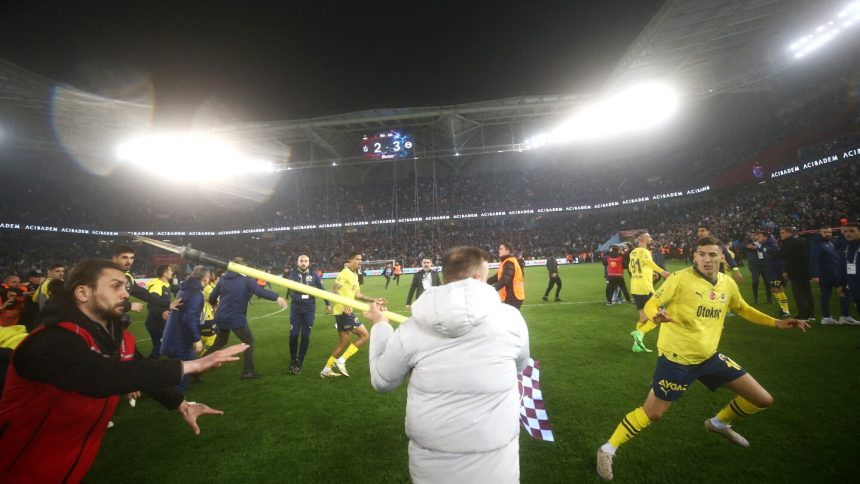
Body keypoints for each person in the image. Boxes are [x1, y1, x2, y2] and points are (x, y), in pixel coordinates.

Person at [0, 259, 248, 482]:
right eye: (116, 286)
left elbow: (137, 370)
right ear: (83, 292)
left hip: (67, 466)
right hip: (15, 467)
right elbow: (98, 376)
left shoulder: (119, 337)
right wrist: (192, 365)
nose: (125, 293)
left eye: (125, 287)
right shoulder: (53, 338)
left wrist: (180, 403)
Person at [595, 237, 810, 481]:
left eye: (712, 255)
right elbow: (653, 304)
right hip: (677, 360)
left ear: (722, 257)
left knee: (762, 399)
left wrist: (777, 322)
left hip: (709, 358)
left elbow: (742, 308)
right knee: (653, 414)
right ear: (694, 256)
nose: (706, 259)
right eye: (701, 254)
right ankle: (607, 449)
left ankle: (718, 423)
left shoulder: (727, 284)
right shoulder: (680, 279)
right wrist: (657, 316)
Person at [366, 246, 530, 483]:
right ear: (477, 278)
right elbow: (519, 366)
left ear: (445, 277)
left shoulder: (410, 329)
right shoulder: (512, 320)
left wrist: (381, 324)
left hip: (432, 472)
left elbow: (382, 381)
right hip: (497, 470)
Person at [203, 257, 288, 380]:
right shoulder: (246, 279)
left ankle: (198, 368)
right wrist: (276, 297)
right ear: (240, 267)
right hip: (235, 316)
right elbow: (259, 291)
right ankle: (248, 371)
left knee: (220, 342)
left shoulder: (223, 279)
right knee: (249, 341)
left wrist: (215, 305)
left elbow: (212, 297)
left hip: (221, 316)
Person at [320, 252, 386, 378]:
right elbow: (334, 290)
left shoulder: (355, 275)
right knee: (365, 336)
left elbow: (358, 295)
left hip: (344, 311)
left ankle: (326, 369)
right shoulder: (344, 272)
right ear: (350, 260)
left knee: (344, 342)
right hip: (343, 311)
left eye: (361, 259)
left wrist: (374, 300)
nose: (359, 261)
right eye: (357, 259)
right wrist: (344, 303)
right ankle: (341, 361)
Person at [161, 265, 211, 393]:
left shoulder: (185, 288)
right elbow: (189, 318)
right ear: (205, 278)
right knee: (182, 372)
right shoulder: (196, 294)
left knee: (189, 363)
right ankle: (177, 400)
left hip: (174, 335)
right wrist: (197, 339)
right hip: (180, 339)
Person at [286, 254, 332, 375]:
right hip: (296, 309)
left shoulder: (314, 275)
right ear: (297, 262)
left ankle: (299, 362)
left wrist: (327, 303)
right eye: (301, 261)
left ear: (309, 262)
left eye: (306, 261)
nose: (303, 263)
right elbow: (292, 293)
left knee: (306, 336)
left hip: (309, 310)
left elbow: (322, 289)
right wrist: (305, 296)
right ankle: (293, 360)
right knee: (294, 334)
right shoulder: (293, 274)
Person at [628, 232, 671, 353]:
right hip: (645, 288)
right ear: (642, 239)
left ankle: (636, 345)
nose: (650, 239)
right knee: (660, 316)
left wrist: (649, 272)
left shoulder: (633, 252)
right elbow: (649, 263)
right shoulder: (644, 251)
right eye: (649, 237)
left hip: (635, 288)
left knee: (643, 319)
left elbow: (632, 268)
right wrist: (663, 272)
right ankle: (640, 332)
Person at [752, 230, 792, 318]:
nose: (758, 238)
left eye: (759, 236)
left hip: (777, 272)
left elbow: (781, 259)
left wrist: (784, 271)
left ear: (765, 237)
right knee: (774, 290)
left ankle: (786, 311)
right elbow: (763, 250)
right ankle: (782, 309)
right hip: (771, 271)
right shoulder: (766, 245)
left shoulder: (773, 246)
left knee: (778, 290)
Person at [780, 227, 815, 320]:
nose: (781, 235)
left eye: (783, 233)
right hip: (805, 270)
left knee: (798, 294)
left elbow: (784, 256)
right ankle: (811, 314)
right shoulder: (802, 240)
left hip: (796, 272)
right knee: (808, 293)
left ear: (789, 233)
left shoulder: (789, 242)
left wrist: (768, 251)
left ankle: (803, 315)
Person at [144, 264, 175, 359]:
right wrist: (161, 312)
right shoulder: (157, 284)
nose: (172, 272)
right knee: (159, 348)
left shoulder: (166, 284)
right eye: (170, 270)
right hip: (154, 323)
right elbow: (151, 304)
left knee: (164, 346)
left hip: (161, 322)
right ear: (165, 273)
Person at [487, 242, 525, 310]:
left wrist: (490, 289)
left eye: (501, 249)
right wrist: (482, 282)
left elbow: (504, 280)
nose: (499, 251)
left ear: (507, 251)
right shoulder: (506, 262)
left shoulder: (509, 262)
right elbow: (496, 277)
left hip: (513, 296)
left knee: (510, 319)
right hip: (512, 296)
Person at [838, 222, 860, 322]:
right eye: (846, 231)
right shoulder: (847, 247)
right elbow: (844, 268)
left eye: (852, 231)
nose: (848, 234)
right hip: (855, 288)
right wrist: (841, 285)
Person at [745, 236, 770, 305]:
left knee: (768, 282)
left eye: (756, 235)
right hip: (755, 266)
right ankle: (756, 299)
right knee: (755, 281)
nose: (754, 236)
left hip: (764, 265)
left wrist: (757, 247)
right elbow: (747, 247)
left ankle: (769, 299)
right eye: (752, 235)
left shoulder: (764, 243)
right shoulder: (749, 243)